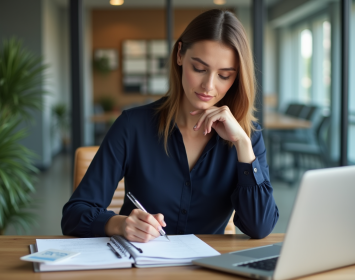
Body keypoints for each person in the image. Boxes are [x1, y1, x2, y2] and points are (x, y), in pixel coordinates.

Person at [62, 9, 279, 242]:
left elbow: (259, 227)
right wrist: (120, 224)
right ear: (179, 55)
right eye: (199, 69)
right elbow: (74, 214)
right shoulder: (132, 126)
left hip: (208, 271)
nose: (208, 85)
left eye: (224, 75)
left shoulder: (247, 139)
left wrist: (243, 145)